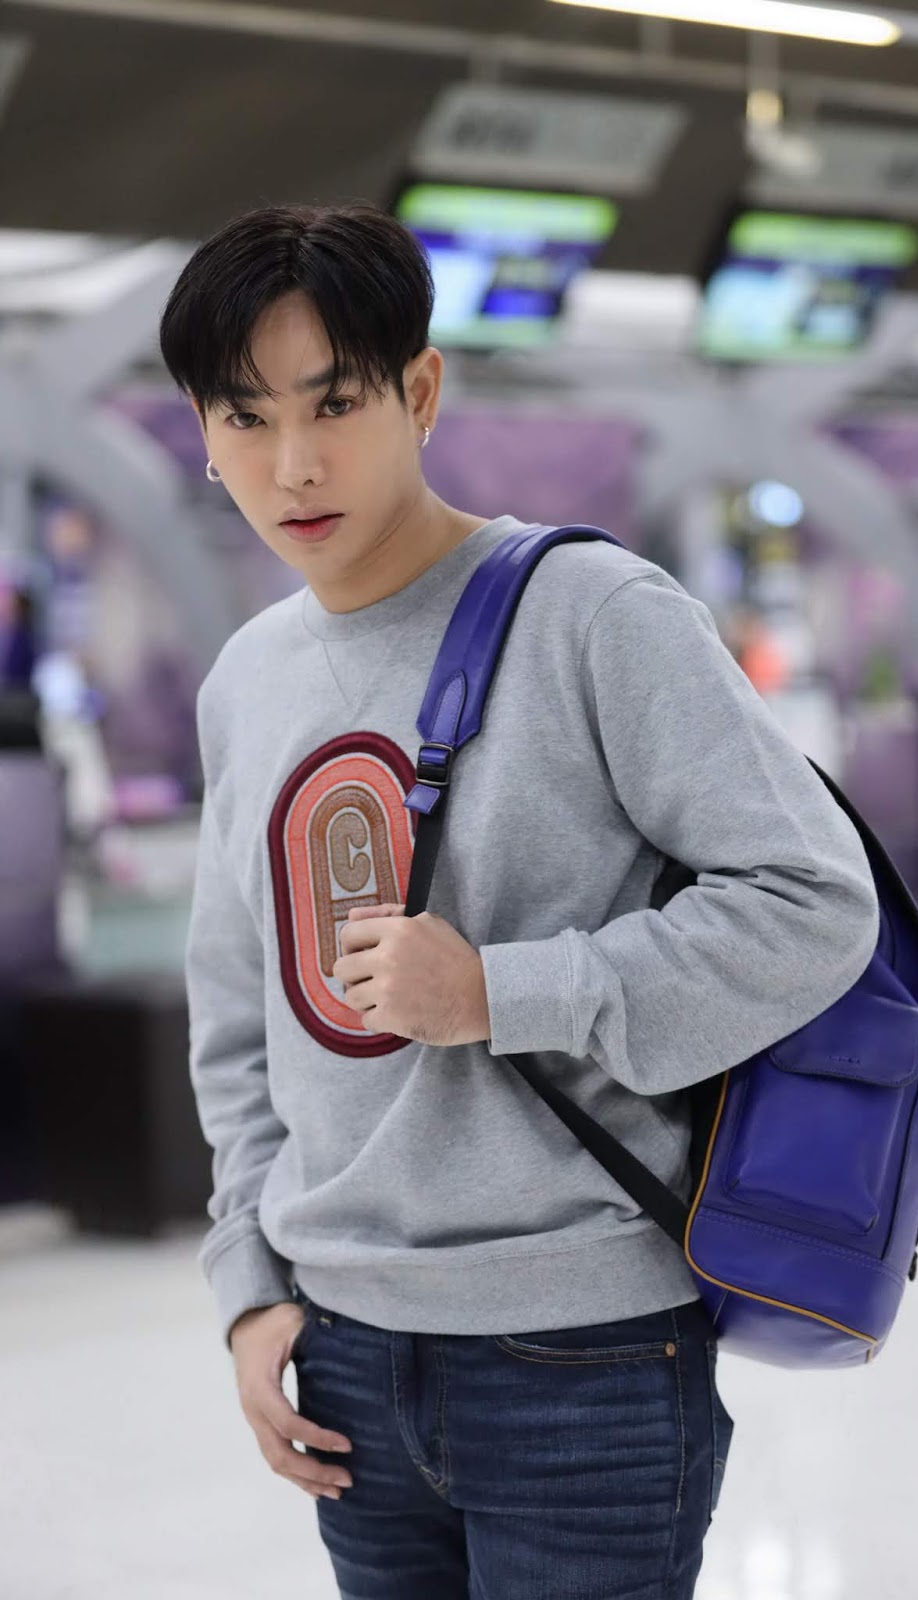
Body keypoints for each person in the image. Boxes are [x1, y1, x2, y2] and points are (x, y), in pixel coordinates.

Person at [161, 201, 881, 1600]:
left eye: (335, 403)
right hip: (342, 1356)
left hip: (584, 1354)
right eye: (246, 418)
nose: (293, 464)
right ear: (203, 433)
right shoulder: (246, 681)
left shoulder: (593, 614)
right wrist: (250, 1282)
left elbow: (811, 902)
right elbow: (240, 1009)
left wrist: (501, 992)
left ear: (421, 391)